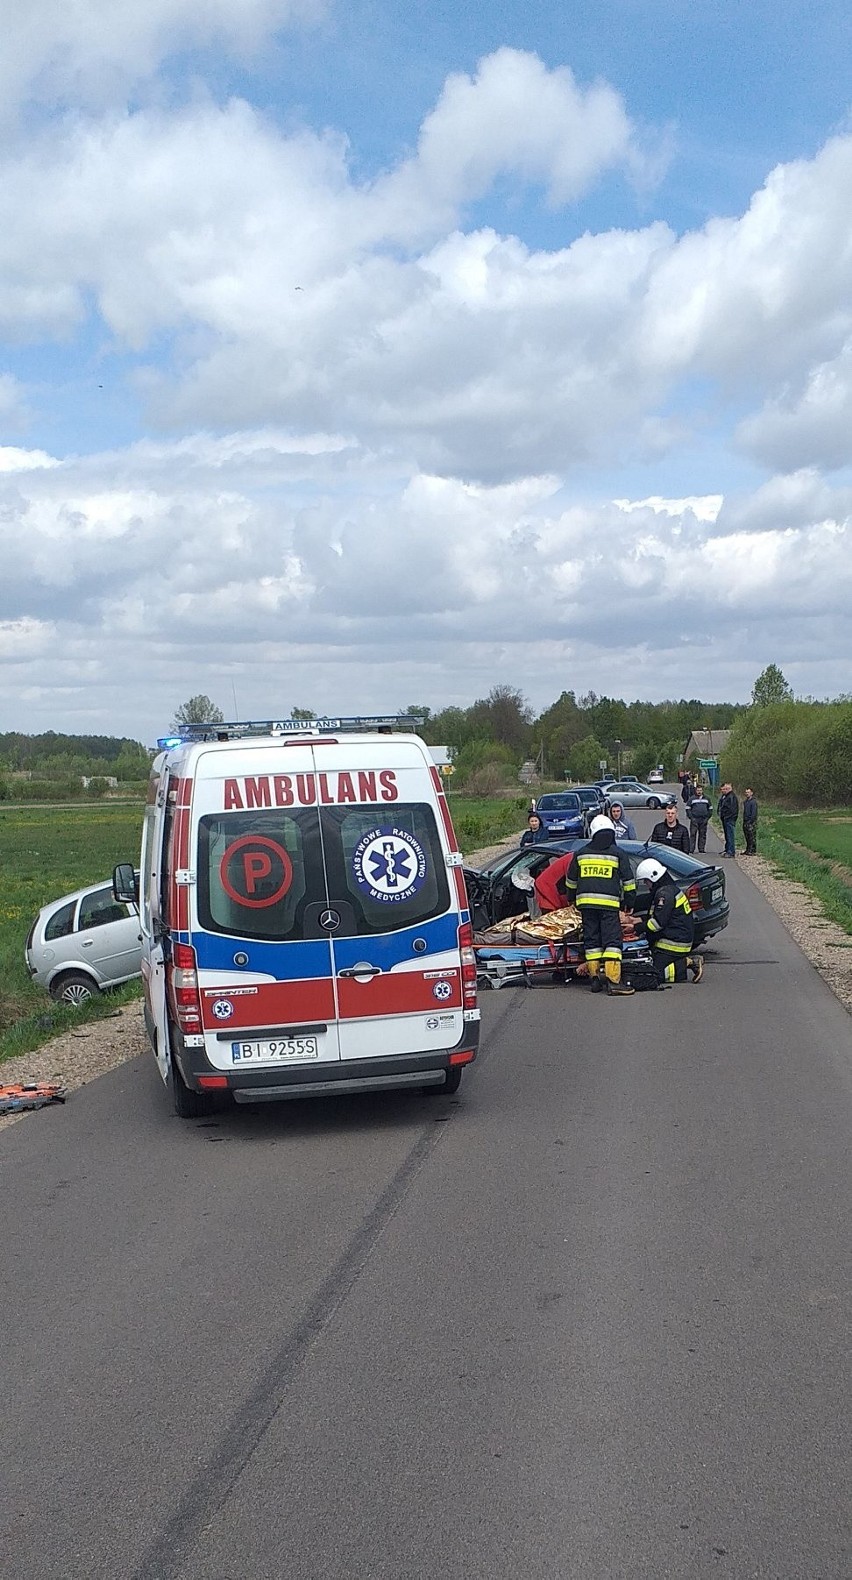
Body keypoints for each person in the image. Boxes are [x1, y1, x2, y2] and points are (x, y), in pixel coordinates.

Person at [557, 814, 637, 996]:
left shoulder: (581, 853)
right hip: (609, 906)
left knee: (591, 942)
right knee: (612, 942)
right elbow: (629, 882)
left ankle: (594, 980)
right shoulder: (618, 853)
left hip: (586, 906)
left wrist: (572, 899)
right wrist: (629, 903)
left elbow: (571, 881)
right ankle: (613, 981)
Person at [636, 857, 703, 984]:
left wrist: (636, 928)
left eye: (646, 880)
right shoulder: (667, 889)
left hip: (674, 943)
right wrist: (636, 920)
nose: (645, 884)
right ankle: (684, 963)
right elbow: (659, 916)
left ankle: (689, 963)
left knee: (653, 974)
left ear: (653, 877)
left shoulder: (664, 894)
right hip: (676, 937)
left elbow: (657, 924)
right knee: (649, 964)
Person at [686, 784, 712, 852]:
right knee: (693, 834)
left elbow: (710, 809)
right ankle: (691, 849)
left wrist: (707, 818)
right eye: (698, 790)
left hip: (703, 819)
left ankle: (701, 849)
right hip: (694, 819)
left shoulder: (707, 799)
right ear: (696, 790)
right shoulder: (692, 798)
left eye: (700, 790)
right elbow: (688, 808)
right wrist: (691, 818)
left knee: (702, 834)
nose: (699, 792)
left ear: (702, 791)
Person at [717, 782, 739, 858]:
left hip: (729, 819)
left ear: (730, 788)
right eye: (723, 789)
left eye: (726, 789)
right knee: (727, 835)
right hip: (725, 818)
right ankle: (727, 849)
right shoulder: (725, 796)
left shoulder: (731, 797)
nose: (724, 790)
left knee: (730, 835)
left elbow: (732, 809)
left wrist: (727, 817)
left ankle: (731, 851)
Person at [742, 788, 758, 854]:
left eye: (748, 792)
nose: (747, 794)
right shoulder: (746, 802)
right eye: (746, 792)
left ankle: (752, 850)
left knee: (752, 836)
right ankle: (748, 849)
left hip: (751, 822)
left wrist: (751, 821)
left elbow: (754, 813)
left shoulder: (753, 802)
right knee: (747, 836)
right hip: (745, 820)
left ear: (751, 793)